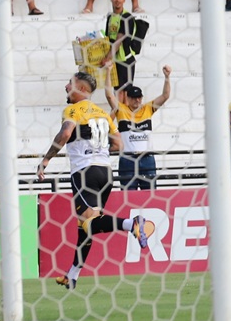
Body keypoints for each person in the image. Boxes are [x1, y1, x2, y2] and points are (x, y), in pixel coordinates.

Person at [37, 70, 154, 290]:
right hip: (105, 173)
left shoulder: (73, 110)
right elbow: (118, 144)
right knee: (85, 226)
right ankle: (72, 274)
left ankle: (132, 224)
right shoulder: (101, 113)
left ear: (81, 89)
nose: (66, 87)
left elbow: (65, 134)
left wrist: (46, 160)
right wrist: (98, 149)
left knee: (89, 222)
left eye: (69, 83)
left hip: (85, 172)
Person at [102, 62, 171, 191]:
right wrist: (108, 72)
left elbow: (165, 96)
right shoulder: (121, 109)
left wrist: (167, 77)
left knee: (150, 194)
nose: (137, 100)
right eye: (134, 98)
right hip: (128, 159)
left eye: (139, 97)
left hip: (147, 158)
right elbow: (109, 96)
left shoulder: (148, 108)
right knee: (128, 195)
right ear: (127, 98)